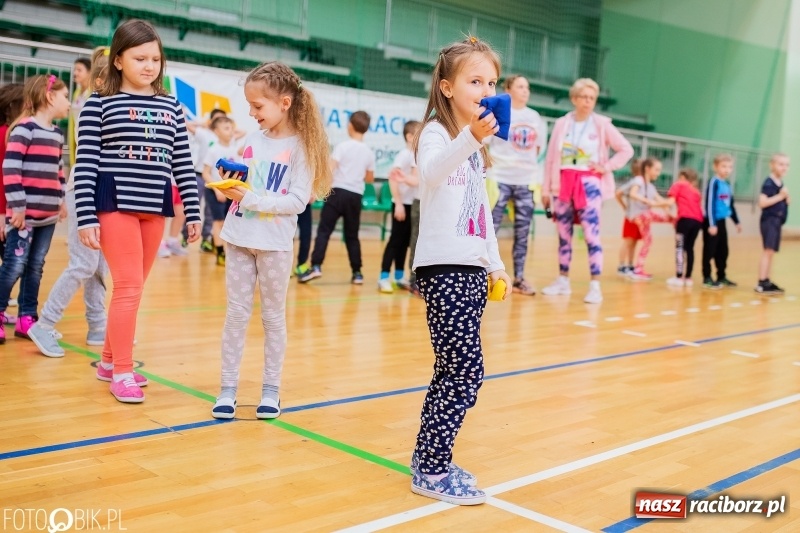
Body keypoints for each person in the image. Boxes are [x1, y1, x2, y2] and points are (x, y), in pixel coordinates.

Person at [75, 19, 201, 403]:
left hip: (156, 206)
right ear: (117, 61)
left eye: (155, 59)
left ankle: (109, 361)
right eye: (140, 58)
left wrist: (192, 212)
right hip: (114, 204)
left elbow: (182, 161)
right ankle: (123, 373)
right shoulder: (98, 103)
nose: (149, 66)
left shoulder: (170, 106)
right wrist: (85, 216)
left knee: (134, 288)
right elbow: (86, 164)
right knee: (128, 287)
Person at [410, 36, 511, 506]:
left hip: (470, 269)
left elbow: (481, 215)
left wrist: (495, 263)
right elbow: (429, 172)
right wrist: (471, 135)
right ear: (448, 87)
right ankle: (431, 468)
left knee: (454, 370)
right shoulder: (438, 132)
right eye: (475, 80)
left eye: (491, 81)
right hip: (443, 268)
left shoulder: (474, 149)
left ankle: (432, 459)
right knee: (465, 372)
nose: (486, 88)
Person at [210, 61, 331, 419]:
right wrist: (230, 184)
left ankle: (271, 390)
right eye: (249, 105)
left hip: (275, 245)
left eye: (258, 106)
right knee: (235, 315)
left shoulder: (301, 149)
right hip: (237, 237)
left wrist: (249, 198)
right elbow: (250, 183)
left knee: (273, 318)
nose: (251, 113)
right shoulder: (251, 140)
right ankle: (228, 388)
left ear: (284, 103)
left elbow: (296, 202)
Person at [28, 47, 111, 358]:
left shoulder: (103, 103)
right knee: (83, 263)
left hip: (101, 195)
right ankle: (45, 323)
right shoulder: (94, 104)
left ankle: (97, 325)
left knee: (99, 265)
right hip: (84, 193)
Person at [541, 78, 633, 304]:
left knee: (592, 235)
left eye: (592, 98)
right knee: (564, 235)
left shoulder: (601, 124)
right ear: (574, 98)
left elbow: (625, 149)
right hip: (562, 182)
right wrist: (546, 189)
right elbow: (551, 158)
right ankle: (563, 281)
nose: (588, 102)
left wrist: (606, 167)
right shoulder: (563, 123)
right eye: (583, 97)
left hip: (589, 184)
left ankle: (595, 286)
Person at [0, 74, 71, 343]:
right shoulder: (23, 130)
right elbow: (10, 169)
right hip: (24, 218)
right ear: (49, 96)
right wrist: (17, 207)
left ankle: (27, 316)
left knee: (36, 266)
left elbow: (58, 170)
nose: (68, 103)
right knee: (14, 265)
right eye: (65, 97)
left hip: (48, 216)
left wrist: (61, 199)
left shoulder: (56, 133)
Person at [298, 111, 375, 285]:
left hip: (337, 193)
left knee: (324, 231)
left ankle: (316, 266)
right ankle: (357, 273)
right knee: (352, 235)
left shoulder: (343, 146)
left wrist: (317, 190)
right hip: (355, 196)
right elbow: (370, 179)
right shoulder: (369, 152)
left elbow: (330, 169)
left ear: (350, 126)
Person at [487, 75, 546, 295]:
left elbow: (537, 149)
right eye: (521, 86)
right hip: (499, 178)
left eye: (527, 87)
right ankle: (484, 274)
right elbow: (486, 142)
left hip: (525, 181)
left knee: (522, 232)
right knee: (490, 229)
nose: (525, 90)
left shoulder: (535, 117)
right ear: (508, 89)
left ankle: (519, 277)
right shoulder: (499, 111)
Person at [378, 120, 420, 293]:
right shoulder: (404, 154)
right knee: (395, 241)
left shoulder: (416, 155)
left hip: (412, 204)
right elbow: (393, 178)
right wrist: (399, 204)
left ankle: (399, 276)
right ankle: (384, 277)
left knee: (404, 242)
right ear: (409, 136)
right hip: (401, 204)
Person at [625, 158, 672, 280]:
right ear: (647, 168)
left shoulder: (650, 187)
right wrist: (648, 201)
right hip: (640, 215)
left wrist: (669, 210)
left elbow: (661, 201)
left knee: (648, 241)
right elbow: (632, 194)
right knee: (654, 215)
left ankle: (638, 269)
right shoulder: (639, 180)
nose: (658, 173)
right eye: (656, 169)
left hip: (643, 217)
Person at [0, 83, 25, 318]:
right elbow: (2, 179)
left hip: (7, 211)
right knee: (13, 264)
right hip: (3, 213)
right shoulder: (5, 135)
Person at [201, 115, 239, 266]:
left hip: (231, 191)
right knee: (219, 222)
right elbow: (205, 173)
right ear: (216, 131)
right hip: (215, 192)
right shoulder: (213, 149)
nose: (230, 131)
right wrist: (217, 189)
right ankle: (220, 253)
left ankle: (229, 251)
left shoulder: (234, 149)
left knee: (230, 222)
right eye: (226, 128)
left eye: (231, 128)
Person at [702, 153, 741, 289]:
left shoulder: (727, 185)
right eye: (723, 166)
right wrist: (712, 224)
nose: (726, 169)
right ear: (716, 167)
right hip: (712, 222)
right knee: (709, 250)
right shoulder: (714, 182)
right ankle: (707, 277)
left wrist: (737, 222)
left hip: (722, 222)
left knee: (723, 250)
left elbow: (730, 205)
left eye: (729, 167)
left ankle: (721, 276)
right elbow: (709, 204)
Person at [755, 153, 790, 294]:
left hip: (777, 222)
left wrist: (786, 199)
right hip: (769, 220)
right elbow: (762, 203)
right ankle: (761, 282)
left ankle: (767, 280)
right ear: (772, 165)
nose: (784, 167)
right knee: (767, 251)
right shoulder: (769, 183)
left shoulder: (781, 183)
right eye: (781, 164)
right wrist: (780, 196)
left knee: (771, 252)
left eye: (787, 165)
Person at [666, 168, 703, 287]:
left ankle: (679, 277)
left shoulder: (678, 185)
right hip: (697, 222)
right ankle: (688, 277)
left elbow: (670, 202)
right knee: (690, 248)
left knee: (680, 248)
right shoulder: (696, 191)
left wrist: (659, 205)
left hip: (684, 220)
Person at [615, 158, 642, 276]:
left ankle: (630, 265)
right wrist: (625, 206)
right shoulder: (636, 181)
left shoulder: (643, 182)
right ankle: (621, 265)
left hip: (639, 217)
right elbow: (618, 193)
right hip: (631, 217)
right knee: (628, 241)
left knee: (634, 242)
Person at [68, 56, 92, 168]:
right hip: (76, 138)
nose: (75, 73)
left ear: (89, 72)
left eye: (79, 70)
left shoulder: (93, 93)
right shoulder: (77, 93)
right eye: (75, 70)